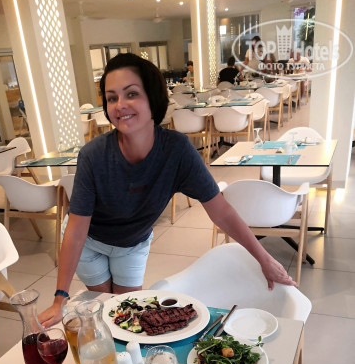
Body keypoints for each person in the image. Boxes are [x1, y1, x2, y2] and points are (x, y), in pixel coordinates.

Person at [39, 53, 295, 327]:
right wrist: (60, 298)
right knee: (108, 312)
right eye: (112, 98)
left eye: (131, 94)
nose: (120, 105)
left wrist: (264, 259)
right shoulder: (94, 155)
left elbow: (221, 211)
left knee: (127, 313)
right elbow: (76, 229)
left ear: (153, 98)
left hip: (133, 245)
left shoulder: (176, 151)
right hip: (90, 243)